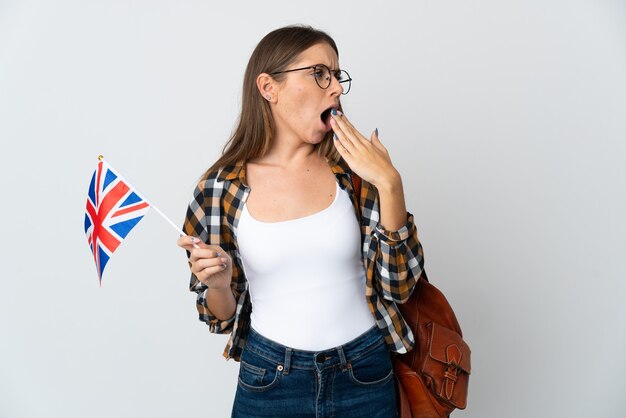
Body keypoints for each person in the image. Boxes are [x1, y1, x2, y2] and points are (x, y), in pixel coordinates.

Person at [178, 25, 424, 418]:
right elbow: (219, 316)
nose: (336, 89)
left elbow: (399, 287)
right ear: (268, 87)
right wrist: (219, 285)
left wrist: (390, 184)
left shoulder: (355, 173)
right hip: (270, 380)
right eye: (319, 73)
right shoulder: (219, 189)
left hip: (364, 373)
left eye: (337, 75)